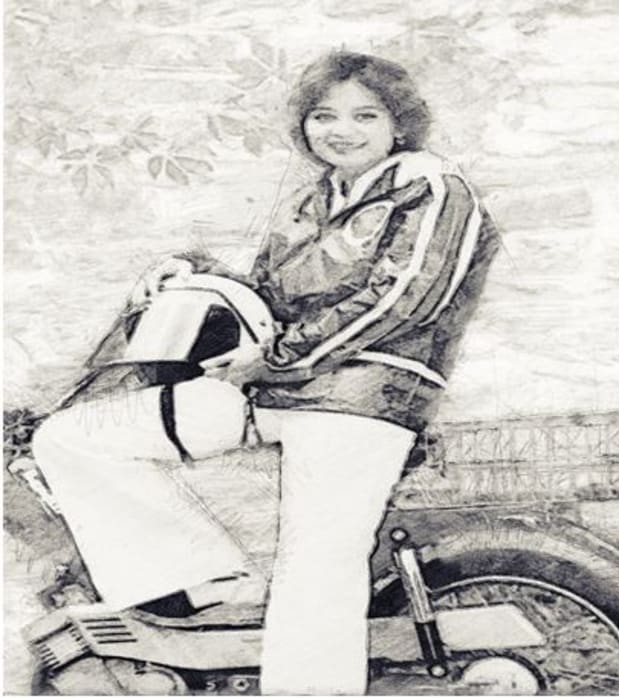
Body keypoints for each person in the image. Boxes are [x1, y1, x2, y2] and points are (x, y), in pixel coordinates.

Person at [31, 50, 500, 694]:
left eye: (365, 115)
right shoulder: (315, 198)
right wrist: (191, 271)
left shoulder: (434, 188)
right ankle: (210, 580)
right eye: (323, 115)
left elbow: (401, 300)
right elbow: (271, 298)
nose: (341, 130)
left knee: (316, 560)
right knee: (74, 439)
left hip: (366, 397)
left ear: (400, 124)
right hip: (276, 387)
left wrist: (274, 359)